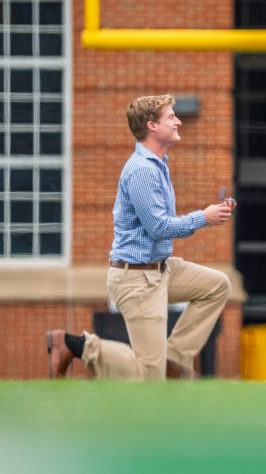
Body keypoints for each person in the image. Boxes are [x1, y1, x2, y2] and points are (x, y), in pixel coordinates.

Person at [46, 94, 236, 380]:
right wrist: (204, 218)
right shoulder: (143, 171)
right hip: (136, 279)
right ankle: (76, 345)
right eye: (171, 117)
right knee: (149, 375)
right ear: (152, 126)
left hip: (160, 269)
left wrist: (211, 214)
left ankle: (174, 358)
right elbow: (158, 227)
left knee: (217, 286)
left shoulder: (158, 165)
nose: (178, 121)